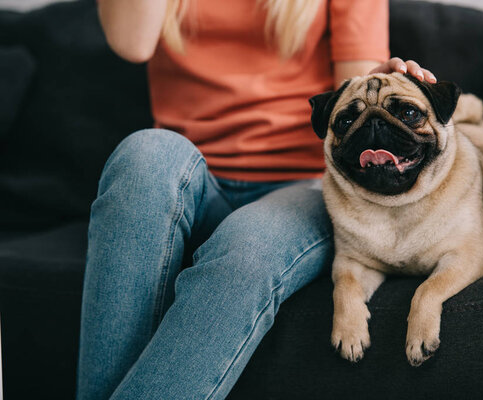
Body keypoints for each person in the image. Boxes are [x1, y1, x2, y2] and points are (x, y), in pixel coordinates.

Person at [77, 0, 437, 399]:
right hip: (188, 179)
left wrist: (384, 83)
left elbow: (351, 94)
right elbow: (132, 43)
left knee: (247, 245)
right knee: (144, 153)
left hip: (298, 184)